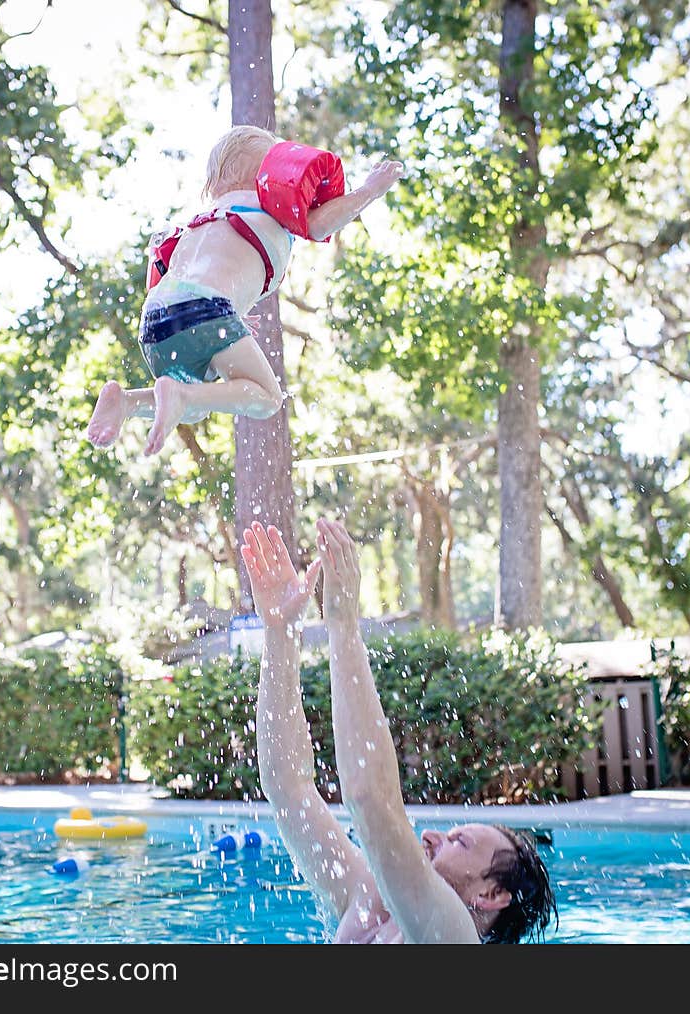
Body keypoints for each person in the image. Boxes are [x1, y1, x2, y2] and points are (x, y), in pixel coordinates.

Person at [239, 518, 558, 944]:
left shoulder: (453, 938)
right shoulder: (369, 899)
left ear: (492, 894)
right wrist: (280, 632)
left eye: (458, 843)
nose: (431, 835)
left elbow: (370, 800)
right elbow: (287, 788)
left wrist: (344, 625)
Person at [87, 125, 404, 457]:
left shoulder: (203, 221)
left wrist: (230, 315)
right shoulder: (266, 201)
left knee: (195, 403)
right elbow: (319, 223)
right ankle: (173, 396)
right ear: (269, 172)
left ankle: (126, 401)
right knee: (266, 397)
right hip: (206, 310)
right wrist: (370, 189)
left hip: (155, 320)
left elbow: (211, 271)